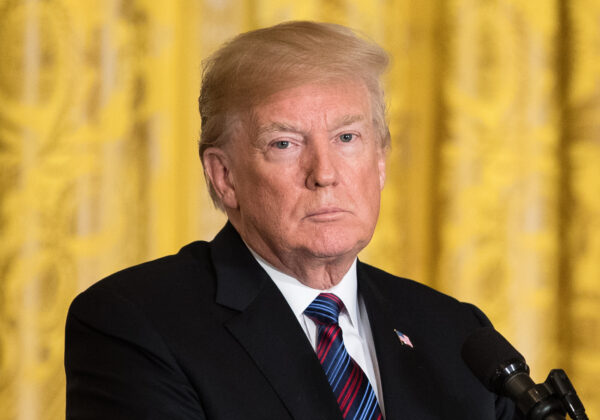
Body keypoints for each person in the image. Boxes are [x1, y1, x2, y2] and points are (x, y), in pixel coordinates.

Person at [65, 21, 521, 420]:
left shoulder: (458, 334)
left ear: (380, 161)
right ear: (224, 176)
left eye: (347, 137)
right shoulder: (136, 323)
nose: (324, 173)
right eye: (284, 144)